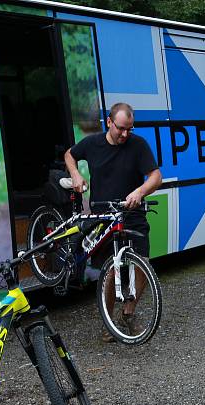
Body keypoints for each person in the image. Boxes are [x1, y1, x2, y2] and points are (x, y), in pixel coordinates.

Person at [64, 102, 163, 342]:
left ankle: (128, 312)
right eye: (121, 128)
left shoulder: (138, 145)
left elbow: (156, 176)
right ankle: (109, 321)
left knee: (142, 263)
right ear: (109, 122)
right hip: (103, 216)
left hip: (132, 214)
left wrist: (140, 192)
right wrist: (76, 174)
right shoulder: (92, 143)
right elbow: (70, 155)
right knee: (109, 270)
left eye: (129, 129)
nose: (125, 134)